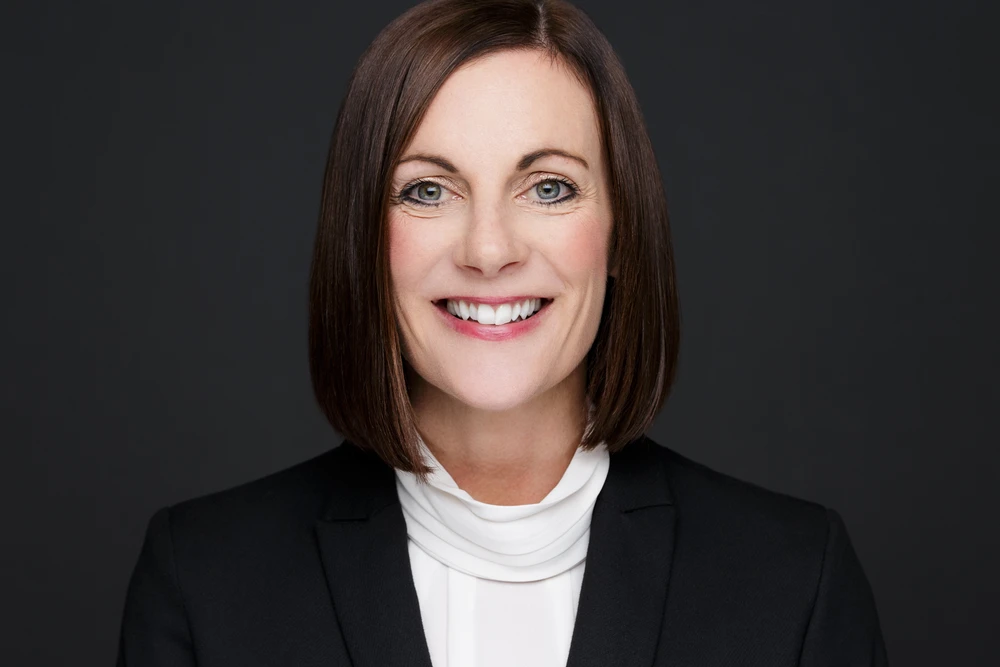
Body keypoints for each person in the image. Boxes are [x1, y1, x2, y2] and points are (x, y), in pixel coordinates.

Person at [116, 0, 888, 665]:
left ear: (620, 233)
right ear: (363, 238)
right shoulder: (204, 582)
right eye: (427, 189)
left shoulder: (794, 583)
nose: (489, 250)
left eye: (548, 187)